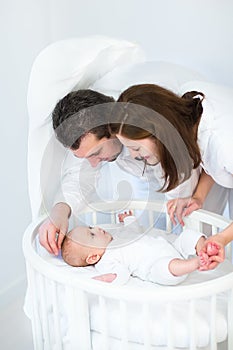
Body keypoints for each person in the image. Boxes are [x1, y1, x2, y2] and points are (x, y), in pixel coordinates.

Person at [39, 89, 201, 255]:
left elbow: (181, 185)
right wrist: (59, 213)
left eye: (96, 153)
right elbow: (77, 179)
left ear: (113, 129)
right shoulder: (87, 132)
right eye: (84, 157)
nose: (93, 164)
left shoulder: (151, 130)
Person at [109, 82, 233, 255]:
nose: (132, 155)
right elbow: (213, 165)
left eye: (135, 148)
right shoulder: (189, 119)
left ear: (158, 132)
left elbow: (219, 155)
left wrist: (223, 238)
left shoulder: (223, 144)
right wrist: (198, 197)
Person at [61, 211, 222, 285]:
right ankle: (194, 264)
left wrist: (129, 219)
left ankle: (203, 249)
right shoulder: (106, 261)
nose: (96, 228)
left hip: (171, 247)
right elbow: (120, 275)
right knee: (165, 267)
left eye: (90, 227)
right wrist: (103, 280)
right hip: (155, 264)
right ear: (93, 257)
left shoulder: (118, 237)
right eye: (92, 235)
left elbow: (133, 231)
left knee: (187, 235)